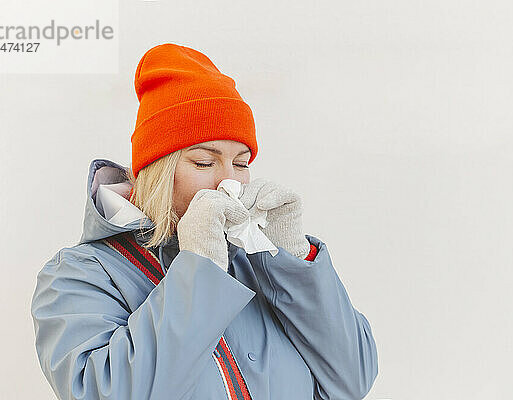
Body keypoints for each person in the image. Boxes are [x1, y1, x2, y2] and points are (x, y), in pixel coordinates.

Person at [30, 43, 378, 400]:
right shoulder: (76, 276)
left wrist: (292, 257)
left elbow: (352, 380)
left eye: (240, 164)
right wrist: (200, 270)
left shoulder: (255, 261)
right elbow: (110, 393)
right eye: (204, 163)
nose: (228, 182)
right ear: (158, 171)